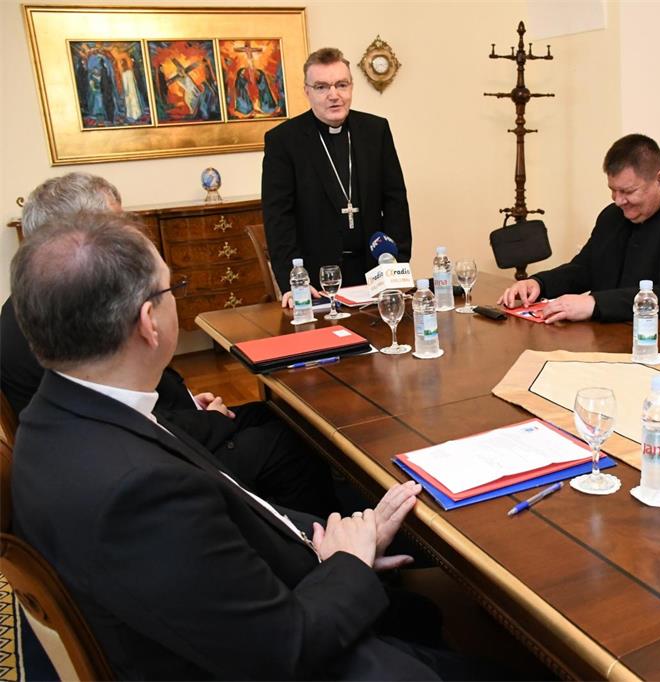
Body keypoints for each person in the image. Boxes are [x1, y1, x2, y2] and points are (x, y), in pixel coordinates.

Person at [8, 212, 455, 679]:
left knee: (420, 611)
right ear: (148, 322)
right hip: (288, 653)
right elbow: (285, 649)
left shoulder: (59, 415)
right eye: (171, 289)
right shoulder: (138, 492)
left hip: (254, 599)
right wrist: (347, 563)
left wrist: (339, 537)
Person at [0, 173, 338, 517]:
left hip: (162, 423)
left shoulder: (37, 304)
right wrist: (208, 420)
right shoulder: (61, 315)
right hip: (161, 448)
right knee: (290, 443)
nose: (126, 237)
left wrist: (190, 402)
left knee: (284, 415)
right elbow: (130, 415)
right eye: (115, 225)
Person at [498, 134, 660, 332]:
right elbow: (585, 268)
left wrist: (593, 304)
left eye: (628, 191)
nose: (618, 201)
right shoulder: (612, 216)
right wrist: (539, 283)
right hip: (617, 333)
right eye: (613, 190)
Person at [262, 47, 411, 301]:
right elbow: (278, 218)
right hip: (316, 282)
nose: (334, 95)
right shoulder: (284, 140)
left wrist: (397, 263)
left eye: (341, 85)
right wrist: (293, 282)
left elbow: (395, 201)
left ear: (351, 87)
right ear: (307, 91)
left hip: (376, 273)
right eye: (321, 87)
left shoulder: (375, 131)